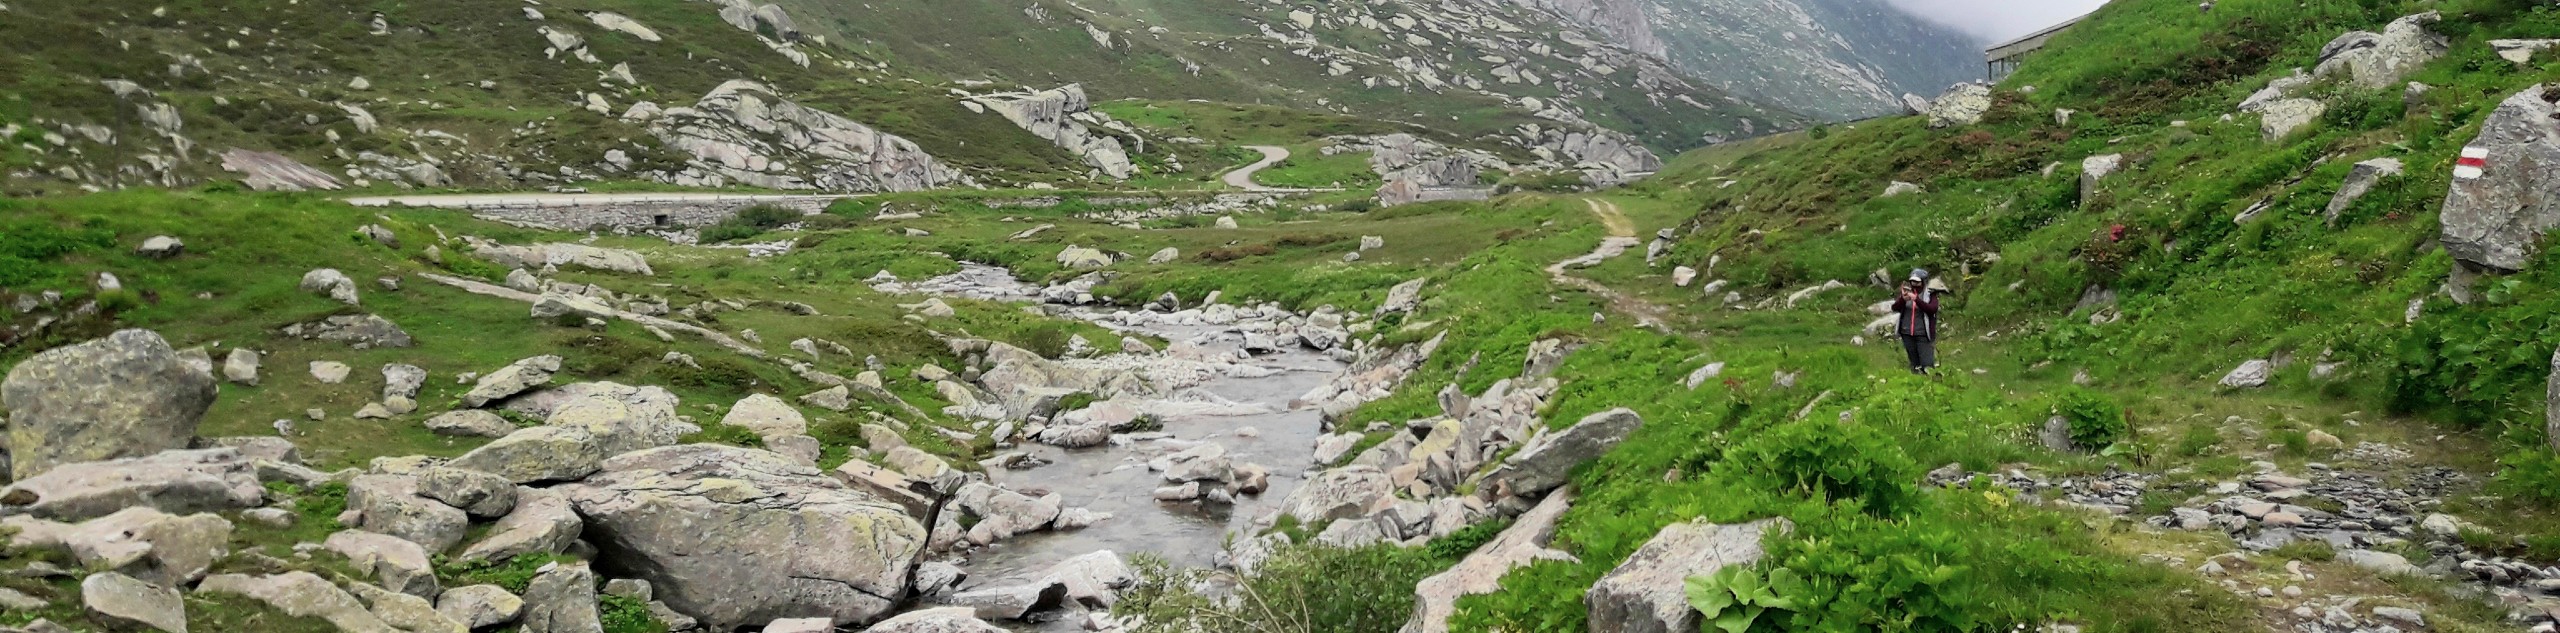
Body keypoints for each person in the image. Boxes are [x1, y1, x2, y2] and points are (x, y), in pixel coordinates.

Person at [1891, 268, 1941, 374]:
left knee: (1927, 364)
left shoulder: (1930, 294)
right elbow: (1895, 308)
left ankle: (1930, 384)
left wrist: (1916, 300)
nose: (1915, 284)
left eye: (1917, 282)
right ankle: (1915, 384)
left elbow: (1932, 309)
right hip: (1907, 333)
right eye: (1912, 281)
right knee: (1914, 364)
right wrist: (1902, 300)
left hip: (1923, 334)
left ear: (1923, 281)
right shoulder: (1907, 294)